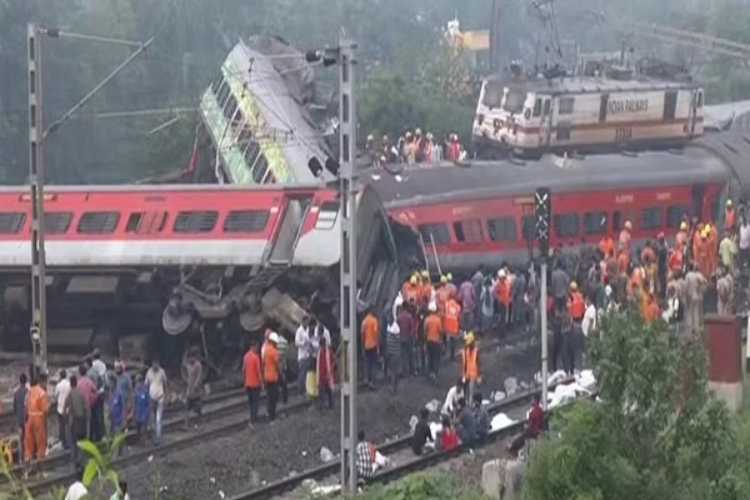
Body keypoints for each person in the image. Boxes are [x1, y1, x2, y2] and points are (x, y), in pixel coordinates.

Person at [25, 372, 50, 462]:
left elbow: (26, 405)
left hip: (30, 417)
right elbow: (45, 409)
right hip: (38, 417)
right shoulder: (42, 393)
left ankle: (28, 457)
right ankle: (40, 458)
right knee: (40, 439)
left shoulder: (29, 392)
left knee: (29, 439)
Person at [145, 359, 167, 445]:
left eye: (156, 364)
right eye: (154, 364)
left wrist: (165, 394)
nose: (155, 366)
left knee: (158, 419)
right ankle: (154, 436)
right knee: (152, 419)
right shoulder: (149, 372)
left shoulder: (162, 372)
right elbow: (146, 384)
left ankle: (158, 437)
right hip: (151, 398)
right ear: (152, 364)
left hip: (160, 397)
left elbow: (165, 384)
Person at [243, 339, 263, 425]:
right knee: (255, 403)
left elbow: (243, 370)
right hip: (255, 384)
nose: (258, 348)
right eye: (257, 347)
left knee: (251, 403)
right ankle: (254, 420)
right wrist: (262, 383)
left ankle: (252, 418)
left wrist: (245, 381)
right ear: (253, 346)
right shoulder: (256, 357)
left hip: (248, 384)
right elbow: (259, 371)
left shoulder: (245, 356)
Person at [183, 348, 203, 429]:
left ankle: (197, 425)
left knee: (197, 410)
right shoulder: (188, 365)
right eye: (189, 358)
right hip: (189, 391)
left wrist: (195, 385)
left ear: (194, 357)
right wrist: (185, 352)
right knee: (187, 409)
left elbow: (199, 377)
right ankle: (186, 425)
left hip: (196, 392)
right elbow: (184, 362)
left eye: (191, 358)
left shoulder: (198, 365)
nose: (190, 360)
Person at [361, 308, 380, 389]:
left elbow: (362, 334)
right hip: (373, 345)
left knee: (367, 363)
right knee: (373, 364)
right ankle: (372, 382)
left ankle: (366, 380)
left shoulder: (364, 321)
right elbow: (376, 333)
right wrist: (378, 346)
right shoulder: (374, 320)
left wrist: (362, 346)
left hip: (366, 345)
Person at [264, 332, 281, 421]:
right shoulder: (274, 351)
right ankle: (272, 418)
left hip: (267, 377)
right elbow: (277, 364)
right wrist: (281, 373)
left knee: (269, 397)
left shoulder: (266, 350)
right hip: (273, 378)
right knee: (274, 398)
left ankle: (269, 415)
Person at [460, 332, 481, 404]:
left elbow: (478, 363)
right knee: (465, 390)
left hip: (473, 373)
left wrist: (479, 375)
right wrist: (463, 375)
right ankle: (465, 403)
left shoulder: (476, 351)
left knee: (471, 391)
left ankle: (470, 404)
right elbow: (464, 363)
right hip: (466, 373)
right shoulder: (465, 350)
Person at [424, 303, 443, 382]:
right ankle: (434, 373)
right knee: (436, 358)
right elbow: (440, 331)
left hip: (429, 340)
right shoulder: (438, 320)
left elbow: (425, 330)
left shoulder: (427, 319)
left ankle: (430, 373)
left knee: (430, 357)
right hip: (436, 341)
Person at [317, 334, 336, 410]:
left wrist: (330, 371)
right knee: (321, 391)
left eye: (323, 345)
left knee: (329, 391)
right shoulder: (319, 353)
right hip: (321, 375)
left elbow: (334, 362)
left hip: (328, 374)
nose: (322, 347)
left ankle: (331, 405)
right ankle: (322, 406)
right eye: (321, 345)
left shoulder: (329, 352)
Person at [53, 369, 71, 450]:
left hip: (60, 409)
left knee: (62, 427)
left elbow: (55, 396)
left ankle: (63, 443)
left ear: (60, 376)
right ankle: (69, 442)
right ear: (66, 375)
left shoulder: (58, 385)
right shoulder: (69, 384)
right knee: (68, 426)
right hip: (68, 409)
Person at [295, 316, 312, 394]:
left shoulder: (308, 329)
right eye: (306, 321)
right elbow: (297, 342)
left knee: (307, 374)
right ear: (303, 321)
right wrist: (303, 343)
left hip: (308, 354)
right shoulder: (299, 331)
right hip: (302, 356)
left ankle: (306, 389)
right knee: (302, 374)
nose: (307, 323)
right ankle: (300, 390)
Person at [397, 304, 416, 376]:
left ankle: (404, 371)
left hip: (401, 338)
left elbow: (397, 328)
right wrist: (411, 336)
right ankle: (412, 370)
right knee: (410, 354)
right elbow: (412, 328)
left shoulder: (399, 317)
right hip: (408, 338)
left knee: (403, 355)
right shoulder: (409, 316)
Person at [13, 373, 28, 463]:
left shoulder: (16, 393)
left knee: (21, 438)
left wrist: (18, 414)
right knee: (27, 437)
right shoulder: (28, 392)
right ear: (26, 381)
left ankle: (21, 458)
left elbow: (14, 407)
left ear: (20, 381)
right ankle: (28, 456)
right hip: (27, 418)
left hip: (19, 419)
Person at [385, 315, 401, 394]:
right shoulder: (389, 326)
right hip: (390, 352)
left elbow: (398, 339)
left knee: (393, 371)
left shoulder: (395, 328)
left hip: (394, 353)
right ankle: (394, 386)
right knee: (393, 370)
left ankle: (393, 388)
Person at [133, 373, 150, 443]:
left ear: (142, 382)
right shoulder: (135, 391)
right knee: (138, 428)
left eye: (139, 382)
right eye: (137, 382)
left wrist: (146, 414)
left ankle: (145, 440)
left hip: (144, 413)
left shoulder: (145, 391)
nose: (138, 384)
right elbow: (134, 402)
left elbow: (148, 403)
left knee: (144, 428)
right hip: (137, 413)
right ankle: (139, 440)